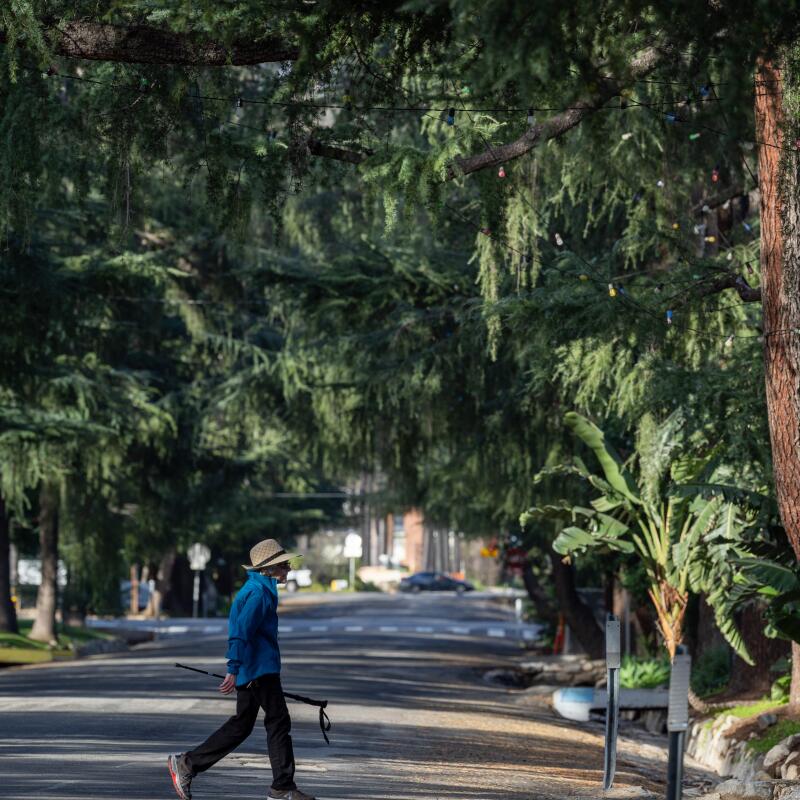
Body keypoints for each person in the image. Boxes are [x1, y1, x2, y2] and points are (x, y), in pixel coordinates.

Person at [168, 538, 317, 800]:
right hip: (258, 670)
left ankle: (187, 764)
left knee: (242, 725)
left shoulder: (260, 589)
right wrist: (233, 667)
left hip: (257, 668)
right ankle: (282, 787)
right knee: (278, 720)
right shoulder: (258, 594)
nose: (288, 570)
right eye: (284, 565)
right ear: (268, 569)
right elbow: (240, 632)